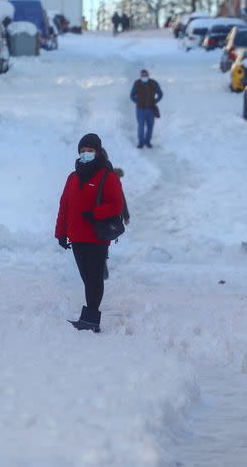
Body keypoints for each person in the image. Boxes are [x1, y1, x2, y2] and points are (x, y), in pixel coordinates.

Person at [55, 133, 125, 333]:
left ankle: (91, 318)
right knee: (87, 277)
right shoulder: (73, 177)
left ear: (98, 152)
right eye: (83, 151)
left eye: (90, 150)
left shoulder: (107, 176)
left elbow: (116, 205)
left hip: (97, 237)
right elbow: (64, 206)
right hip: (76, 236)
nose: (86, 154)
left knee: (94, 277)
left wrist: (95, 213)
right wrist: (60, 233)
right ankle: (90, 315)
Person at [130, 69, 163, 148]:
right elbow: (132, 95)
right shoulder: (137, 83)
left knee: (150, 127)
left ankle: (147, 141)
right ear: (141, 76)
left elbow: (160, 94)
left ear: (148, 75)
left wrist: (155, 101)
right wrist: (137, 101)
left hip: (151, 109)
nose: (144, 77)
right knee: (141, 127)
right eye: (142, 75)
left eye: (145, 75)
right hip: (140, 110)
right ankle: (141, 142)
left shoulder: (153, 83)